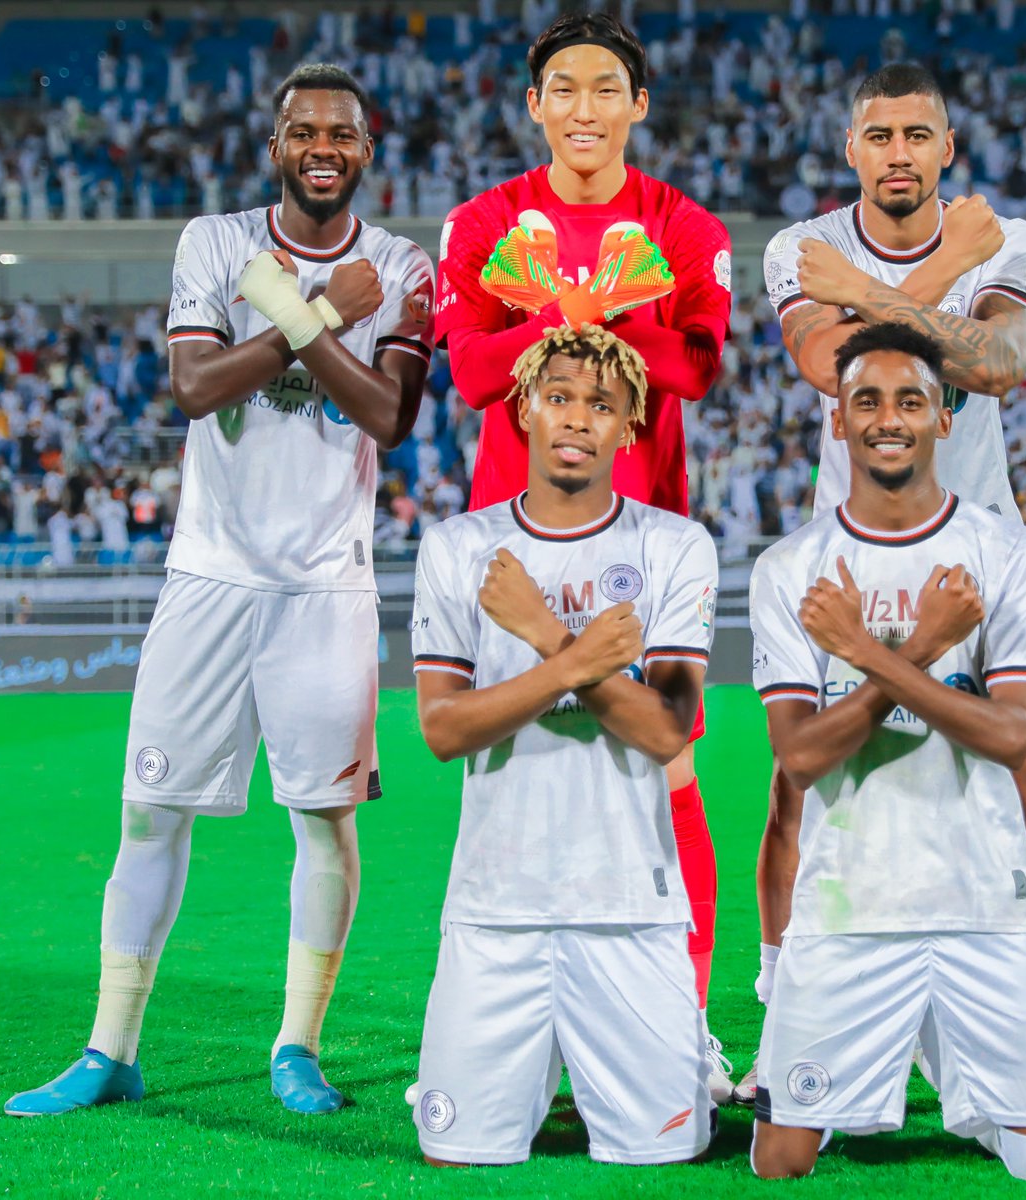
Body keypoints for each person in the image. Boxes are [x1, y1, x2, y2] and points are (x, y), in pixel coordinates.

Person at [5, 63, 434, 1117]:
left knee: (324, 822)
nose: (323, 147)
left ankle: (298, 1046)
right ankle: (110, 1049)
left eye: (342, 132)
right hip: (207, 575)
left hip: (324, 588)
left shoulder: (401, 264)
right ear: (276, 143)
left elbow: (388, 416)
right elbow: (196, 388)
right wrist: (321, 312)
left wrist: (285, 319)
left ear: (367, 148)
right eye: (304, 131)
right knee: (150, 812)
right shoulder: (216, 240)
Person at [745, 62, 1026, 1110]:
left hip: (988, 548)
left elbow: (999, 361)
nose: (899, 154)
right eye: (880, 136)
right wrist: (937, 278)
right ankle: (780, 1025)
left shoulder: (1006, 241)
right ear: (851, 149)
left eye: (918, 136)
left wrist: (876, 293)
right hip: (847, 552)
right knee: (798, 789)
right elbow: (832, 371)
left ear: (947, 147)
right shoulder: (802, 247)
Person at [433, 10, 735, 1099]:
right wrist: (574, 316)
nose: (585, 109)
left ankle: (685, 1023)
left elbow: (696, 368)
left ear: (638, 105)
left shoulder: (685, 226)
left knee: (665, 763)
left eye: (607, 88)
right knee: (506, 768)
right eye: (563, 87)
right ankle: (507, 1033)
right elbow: (471, 372)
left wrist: (578, 316)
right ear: (534, 105)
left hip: (643, 531)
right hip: (509, 537)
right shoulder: (481, 222)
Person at [749, 322, 1026, 1181]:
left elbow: (1013, 736)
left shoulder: (1007, 552)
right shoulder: (790, 568)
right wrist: (925, 650)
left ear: (944, 418)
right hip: (847, 910)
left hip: (987, 908)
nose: (887, 418)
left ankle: (975, 1090)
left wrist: (870, 652)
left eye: (910, 401)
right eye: (866, 401)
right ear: (838, 421)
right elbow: (801, 758)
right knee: (779, 1159)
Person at [410, 324, 717, 1166]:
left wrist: (546, 635)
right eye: (559, 398)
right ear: (524, 409)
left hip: (630, 906)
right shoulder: (459, 548)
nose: (578, 418)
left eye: (601, 405)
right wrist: (582, 661)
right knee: (455, 1153)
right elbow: (443, 730)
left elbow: (666, 729)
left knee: (663, 1152)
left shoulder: (673, 545)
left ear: (629, 425)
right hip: (495, 906)